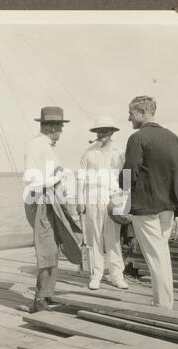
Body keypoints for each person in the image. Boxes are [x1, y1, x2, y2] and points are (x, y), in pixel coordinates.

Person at [120, 96, 178, 310]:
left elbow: (129, 171)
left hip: (146, 206)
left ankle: (163, 305)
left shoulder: (137, 138)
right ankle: (165, 301)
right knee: (161, 253)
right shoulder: (173, 137)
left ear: (142, 113)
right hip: (168, 207)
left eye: (131, 113)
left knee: (155, 256)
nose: (129, 117)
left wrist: (119, 187)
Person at [23, 106, 81, 312]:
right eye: (61, 127)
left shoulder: (46, 146)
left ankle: (46, 295)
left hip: (50, 200)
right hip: (42, 201)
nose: (62, 132)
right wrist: (57, 178)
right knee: (47, 249)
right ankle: (39, 300)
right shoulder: (36, 145)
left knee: (54, 248)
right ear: (53, 126)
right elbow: (32, 177)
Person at [77, 116, 129, 290]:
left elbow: (127, 177)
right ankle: (96, 275)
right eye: (99, 131)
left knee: (113, 239)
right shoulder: (88, 152)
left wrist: (125, 201)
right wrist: (80, 200)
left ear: (112, 132)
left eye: (105, 131)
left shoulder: (120, 152)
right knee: (95, 238)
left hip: (114, 200)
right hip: (92, 198)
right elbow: (81, 178)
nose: (101, 134)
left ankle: (117, 276)